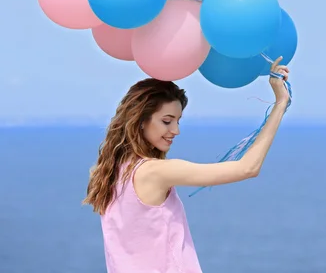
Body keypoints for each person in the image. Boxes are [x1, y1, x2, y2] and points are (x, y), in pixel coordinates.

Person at [83, 56, 290, 272]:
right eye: (166, 121)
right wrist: (280, 103)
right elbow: (248, 168)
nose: (176, 130)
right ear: (140, 120)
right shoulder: (154, 171)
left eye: (178, 121)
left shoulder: (106, 173)